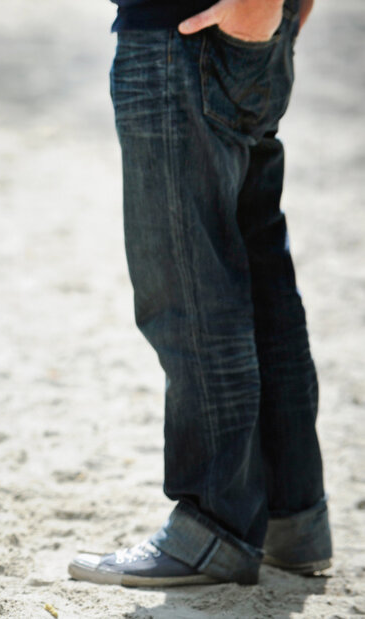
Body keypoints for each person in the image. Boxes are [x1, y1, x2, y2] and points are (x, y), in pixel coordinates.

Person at [68, 0, 331, 586]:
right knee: (258, 275)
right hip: (227, 28)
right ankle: (291, 517)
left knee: (188, 289)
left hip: (188, 32)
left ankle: (216, 528)